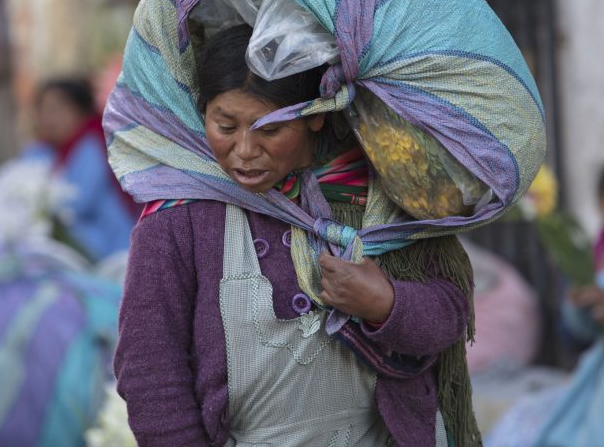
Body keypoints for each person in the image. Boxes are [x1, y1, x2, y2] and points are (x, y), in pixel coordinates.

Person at [114, 25, 478, 447]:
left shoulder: (384, 197)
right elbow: (149, 369)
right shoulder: (181, 217)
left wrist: (385, 304)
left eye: (269, 130)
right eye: (226, 126)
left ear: (315, 115)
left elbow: (451, 314)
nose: (245, 150)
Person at [34, 77, 138, 261]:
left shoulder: (92, 144)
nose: (48, 119)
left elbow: (78, 203)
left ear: (80, 112)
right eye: (43, 110)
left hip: (111, 248)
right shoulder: (45, 150)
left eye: (56, 110)